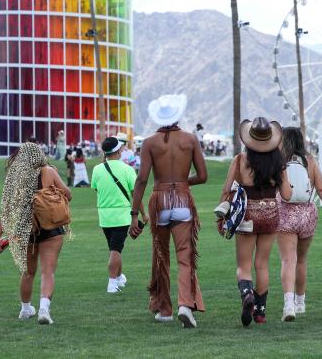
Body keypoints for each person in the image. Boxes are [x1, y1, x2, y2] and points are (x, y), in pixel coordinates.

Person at [129, 94, 207, 328]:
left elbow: (142, 179)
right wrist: (182, 183)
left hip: (159, 201)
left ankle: (165, 310)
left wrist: (134, 213)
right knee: (185, 256)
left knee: (161, 257)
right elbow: (203, 176)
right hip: (183, 201)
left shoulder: (150, 143)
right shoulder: (190, 139)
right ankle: (185, 304)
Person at [220, 117, 292, 326]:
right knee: (262, 264)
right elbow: (287, 195)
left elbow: (227, 190)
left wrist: (222, 216)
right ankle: (260, 312)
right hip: (270, 215)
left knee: (243, 265)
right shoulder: (279, 161)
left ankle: (247, 295)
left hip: (247, 215)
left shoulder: (241, 160)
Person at [0, 142, 72, 325]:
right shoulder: (49, 171)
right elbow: (68, 194)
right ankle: (44, 308)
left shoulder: (17, 178)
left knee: (28, 273)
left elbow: (7, 210)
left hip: (27, 231)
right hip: (51, 228)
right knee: (48, 272)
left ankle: (26, 309)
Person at [277, 127, 322, 321]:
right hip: (307, 214)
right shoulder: (310, 161)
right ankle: (300, 302)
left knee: (288, 260)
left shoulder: (280, 162)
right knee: (302, 260)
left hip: (285, 214)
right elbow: (321, 189)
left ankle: (288, 305)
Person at [91, 137, 147, 293]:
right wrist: (144, 214)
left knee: (115, 248)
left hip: (104, 216)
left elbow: (96, 188)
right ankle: (112, 282)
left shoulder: (97, 169)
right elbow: (136, 194)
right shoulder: (127, 170)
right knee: (115, 249)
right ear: (118, 151)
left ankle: (120, 276)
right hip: (121, 215)